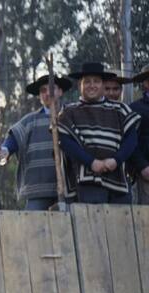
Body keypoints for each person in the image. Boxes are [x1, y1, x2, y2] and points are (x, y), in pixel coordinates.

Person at [57, 62, 140, 204]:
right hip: (87, 180)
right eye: (87, 82)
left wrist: (116, 160)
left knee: (122, 223)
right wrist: (91, 162)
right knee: (93, 223)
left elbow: (131, 139)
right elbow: (65, 142)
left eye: (96, 81)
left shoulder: (120, 109)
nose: (92, 85)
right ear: (80, 86)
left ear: (103, 85)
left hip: (118, 178)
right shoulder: (68, 112)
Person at [0, 73, 73, 210]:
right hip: (38, 190)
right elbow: (12, 140)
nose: (47, 93)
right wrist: (5, 151)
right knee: (33, 228)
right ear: (39, 96)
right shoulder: (30, 121)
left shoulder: (72, 116)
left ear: (60, 91)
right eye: (43, 90)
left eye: (51, 88)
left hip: (69, 189)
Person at [129, 64, 149, 204]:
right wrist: (142, 166)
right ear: (145, 83)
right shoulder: (135, 108)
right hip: (146, 174)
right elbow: (131, 141)